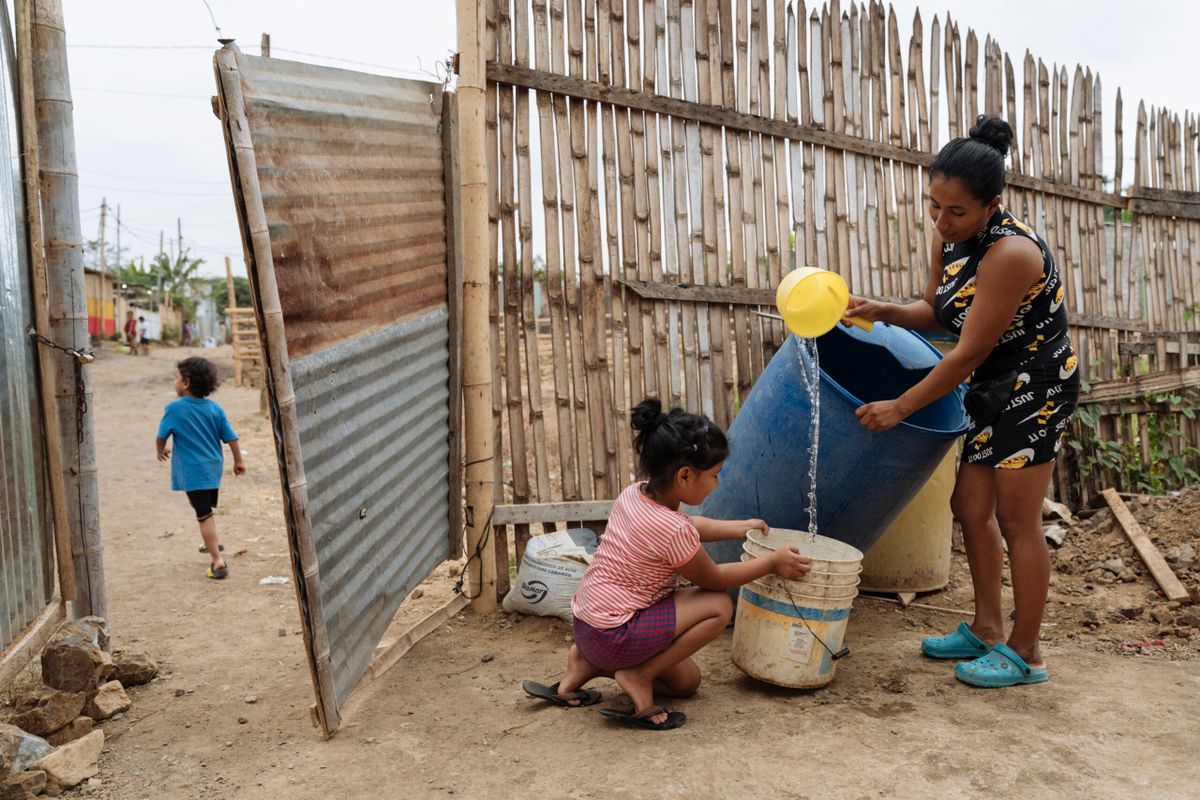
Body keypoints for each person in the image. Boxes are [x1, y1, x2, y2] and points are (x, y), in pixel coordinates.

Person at [844, 115, 1079, 688]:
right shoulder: (950, 240)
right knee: (969, 508)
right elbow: (938, 312)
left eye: (956, 211)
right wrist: (886, 310)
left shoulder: (1012, 254)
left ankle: (1027, 653)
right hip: (990, 385)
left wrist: (900, 406)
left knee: (1017, 518)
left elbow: (967, 352)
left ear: (992, 204)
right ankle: (986, 629)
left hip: (1034, 385)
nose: (942, 221)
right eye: (934, 206)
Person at [522, 399, 810, 730]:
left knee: (686, 683)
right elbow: (714, 578)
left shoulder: (635, 495)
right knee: (717, 604)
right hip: (619, 633)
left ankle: (584, 667)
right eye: (715, 475)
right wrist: (771, 562)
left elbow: (689, 527)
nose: (718, 482)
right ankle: (638, 675)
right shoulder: (671, 530)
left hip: (588, 629)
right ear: (685, 475)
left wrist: (740, 525)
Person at [155, 357, 245, 580]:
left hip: (193, 471)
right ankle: (212, 542)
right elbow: (231, 438)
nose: (174, 382)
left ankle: (217, 561)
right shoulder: (215, 408)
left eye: (176, 378)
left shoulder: (175, 408)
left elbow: (161, 435)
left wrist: (161, 449)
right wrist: (238, 461)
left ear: (185, 383)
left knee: (202, 514)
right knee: (206, 510)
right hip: (213, 468)